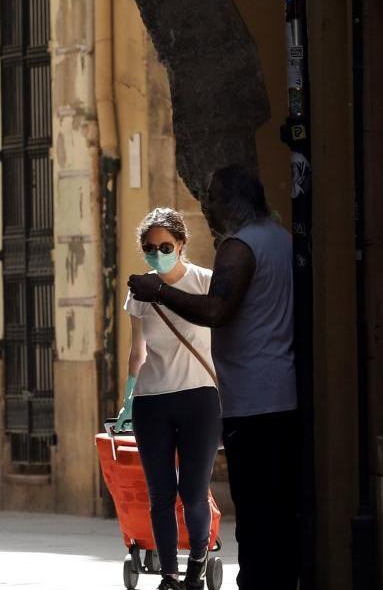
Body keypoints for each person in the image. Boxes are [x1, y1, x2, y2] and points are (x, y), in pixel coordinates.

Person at [128, 165, 298, 590]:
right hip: (281, 392)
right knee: (279, 508)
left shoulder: (238, 248)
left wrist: (159, 292)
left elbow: (216, 311)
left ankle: (253, 581)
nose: (208, 207)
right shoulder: (283, 240)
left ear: (233, 202)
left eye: (214, 198)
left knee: (255, 511)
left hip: (252, 400)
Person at [116, 208, 220, 590]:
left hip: (199, 399)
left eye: (164, 246)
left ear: (181, 245)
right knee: (160, 494)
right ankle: (169, 576)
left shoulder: (206, 283)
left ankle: (198, 560)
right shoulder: (139, 291)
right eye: (149, 248)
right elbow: (137, 351)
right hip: (152, 402)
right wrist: (128, 398)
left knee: (193, 491)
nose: (157, 253)